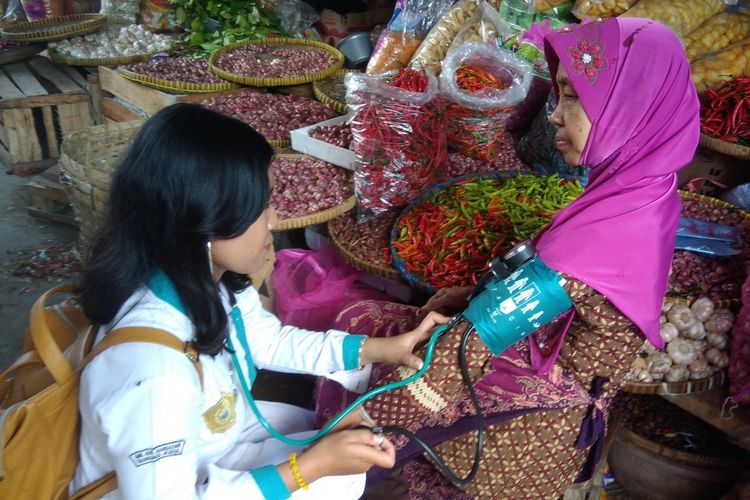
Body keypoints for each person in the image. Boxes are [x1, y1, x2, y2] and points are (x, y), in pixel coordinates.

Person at [315, 16, 699, 498]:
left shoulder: (597, 241)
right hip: (568, 411)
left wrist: (360, 425)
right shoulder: (646, 187)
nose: (556, 114)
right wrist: (477, 295)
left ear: (632, 108)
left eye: (575, 96)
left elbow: (466, 351)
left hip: (523, 439)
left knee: (386, 353)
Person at [68, 103, 448, 499]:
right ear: (204, 223)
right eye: (260, 207)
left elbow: (268, 341)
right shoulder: (154, 377)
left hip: (217, 440)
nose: (274, 220)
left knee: (353, 444)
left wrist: (379, 349)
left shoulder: (202, 280)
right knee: (343, 470)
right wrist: (308, 468)